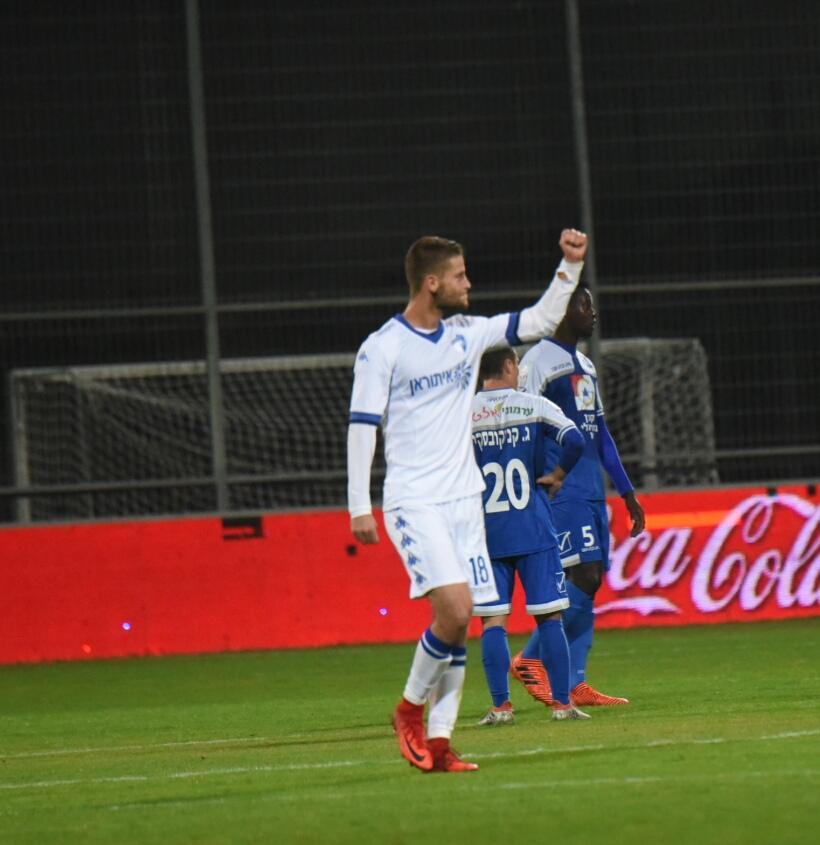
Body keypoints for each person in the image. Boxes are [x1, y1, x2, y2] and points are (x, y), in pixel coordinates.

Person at [348, 229, 588, 773]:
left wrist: (569, 267)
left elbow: (537, 320)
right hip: (416, 500)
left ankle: (440, 744)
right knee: (456, 612)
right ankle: (410, 712)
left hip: (469, 505)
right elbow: (362, 423)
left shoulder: (467, 334)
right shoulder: (383, 347)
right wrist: (358, 503)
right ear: (432, 283)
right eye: (459, 275)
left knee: (462, 623)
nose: (468, 284)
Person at [511, 284, 645, 708]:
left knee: (592, 579)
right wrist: (532, 483)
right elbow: (523, 424)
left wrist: (627, 491)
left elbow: (599, 433)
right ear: (563, 310)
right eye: (585, 305)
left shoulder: (585, 365)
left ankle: (574, 683)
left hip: (591, 490)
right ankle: (529, 659)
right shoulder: (536, 362)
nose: (593, 312)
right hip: (562, 489)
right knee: (582, 576)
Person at [470, 346, 590, 724]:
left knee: (493, 621)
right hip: (534, 528)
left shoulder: (461, 414)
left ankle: (501, 708)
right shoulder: (535, 406)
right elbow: (575, 440)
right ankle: (562, 705)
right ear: (508, 365)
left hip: (486, 534)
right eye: (518, 364)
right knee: (550, 618)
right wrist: (558, 476)